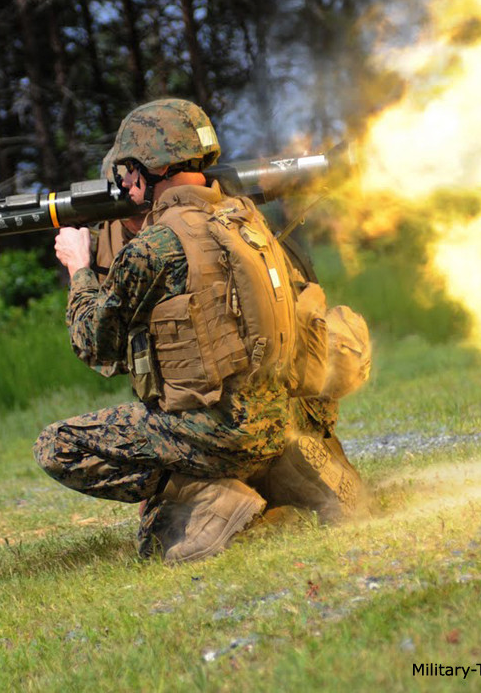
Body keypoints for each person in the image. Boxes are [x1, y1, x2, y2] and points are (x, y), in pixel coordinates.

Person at [34, 98, 362, 564]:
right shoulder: (247, 220)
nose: (124, 182)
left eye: (128, 169)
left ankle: (213, 495)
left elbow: (93, 341)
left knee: (57, 447)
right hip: (280, 420)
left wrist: (79, 267)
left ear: (150, 167)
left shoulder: (157, 244)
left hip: (217, 435)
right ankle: (295, 468)